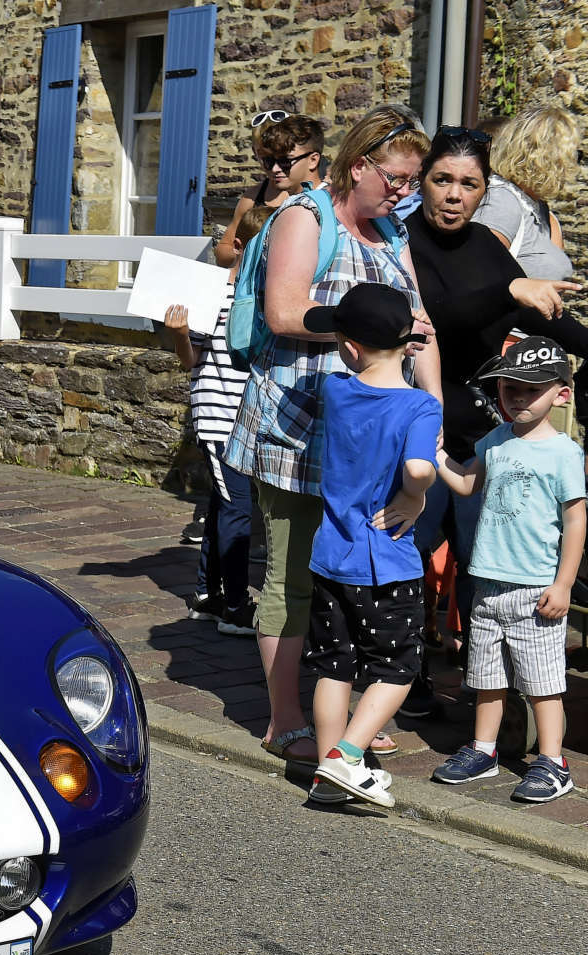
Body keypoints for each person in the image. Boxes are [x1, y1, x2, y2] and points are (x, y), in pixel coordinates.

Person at [224, 109, 438, 765]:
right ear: (359, 165)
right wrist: (365, 324)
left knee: (358, 574)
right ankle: (285, 715)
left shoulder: (393, 234)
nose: (405, 192)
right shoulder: (305, 219)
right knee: (291, 573)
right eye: (397, 179)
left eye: (412, 182)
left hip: (369, 441)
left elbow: (422, 328)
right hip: (296, 428)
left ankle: (342, 707)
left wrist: (431, 417)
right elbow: (284, 311)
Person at [396, 126, 588, 713]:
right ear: (423, 183)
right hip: (421, 424)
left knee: (485, 567)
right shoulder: (400, 242)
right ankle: (404, 680)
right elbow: (439, 318)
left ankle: (488, 703)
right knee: (409, 561)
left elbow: (541, 315)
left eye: (468, 184)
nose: (454, 194)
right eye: (442, 180)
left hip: (483, 433)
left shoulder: (484, 244)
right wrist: (513, 289)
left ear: (484, 192)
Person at [291, 283, 441, 806]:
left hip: (331, 554)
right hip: (385, 562)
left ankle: (326, 777)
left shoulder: (335, 389)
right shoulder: (420, 408)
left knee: (335, 666)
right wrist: (414, 496)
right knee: (397, 667)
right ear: (408, 342)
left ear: (350, 348)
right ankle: (346, 757)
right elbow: (420, 467)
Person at [425, 337, 585, 801]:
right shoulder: (494, 440)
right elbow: (467, 483)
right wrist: (437, 457)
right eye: (508, 388)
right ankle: (484, 749)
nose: (516, 397)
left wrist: (564, 583)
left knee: (543, 682)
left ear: (562, 394)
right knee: (486, 675)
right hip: (488, 582)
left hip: (536, 588)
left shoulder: (563, 453)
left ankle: (553, 762)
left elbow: (576, 519)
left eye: (530, 390)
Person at [166, 203, 270, 635]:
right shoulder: (216, 295)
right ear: (242, 247)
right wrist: (178, 333)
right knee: (238, 510)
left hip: (246, 417)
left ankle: (208, 595)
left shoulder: (265, 295)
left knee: (224, 505)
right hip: (221, 417)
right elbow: (191, 359)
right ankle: (233, 604)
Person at [473, 105, 578, 281]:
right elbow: (476, 275)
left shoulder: (539, 209)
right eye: (572, 155)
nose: (572, 164)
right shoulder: (502, 201)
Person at [214, 113, 325, 267]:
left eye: (285, 160)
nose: (275, 168)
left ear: (313, 159)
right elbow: (224, 249)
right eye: (267, 159)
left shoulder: (324, 201)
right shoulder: (252, 197)